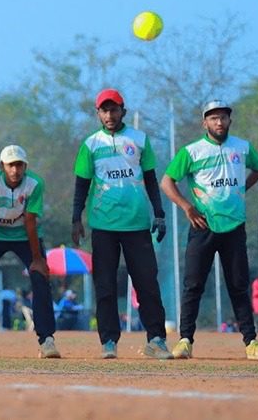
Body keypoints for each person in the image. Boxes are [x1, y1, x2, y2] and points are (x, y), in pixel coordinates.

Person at [159, 100, 258, 360]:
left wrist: (242, 188)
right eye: (213, 118)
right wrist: (187, 207)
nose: (219, 122)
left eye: (223, 117)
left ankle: (251, 343)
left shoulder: (242, 147)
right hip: (203, 226)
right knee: (193, 285)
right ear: (205, 123)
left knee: (238, 285)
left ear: (229, 120)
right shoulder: (192, 151)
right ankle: (185, 340)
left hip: (234, 226)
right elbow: (167, 182)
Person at [72, 88, 172, 360]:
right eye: (104, 110)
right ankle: (108, 342)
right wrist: (76, 218)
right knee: (105, 285)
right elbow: (81, 184)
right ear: (98, 114)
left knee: (147, 283)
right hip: (103, 225)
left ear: (122, 111)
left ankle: (156, 339)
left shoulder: (139, 139)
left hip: (137, 224)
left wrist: (159, 213)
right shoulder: (90, 144)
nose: (109, 114)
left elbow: (151, 179)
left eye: (113, 109)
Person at [0, 145, 59, 359]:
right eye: (10, 165)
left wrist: (37, 260)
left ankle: (47, 340)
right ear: (2, 166)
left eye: (19, 165)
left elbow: (31, 222)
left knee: (40, 278)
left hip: (26, 236)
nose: (15, 170)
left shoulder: (34, 184)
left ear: (25, 166)